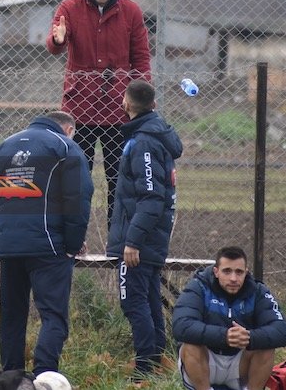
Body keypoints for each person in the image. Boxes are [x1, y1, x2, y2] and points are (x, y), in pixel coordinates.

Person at [0, 111, 94, 376]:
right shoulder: (65, 146)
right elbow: (78, 198)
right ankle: (44, 375)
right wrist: (72, 244)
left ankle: (11, 376)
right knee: (53, 316)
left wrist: (1, 242)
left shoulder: (5, 147)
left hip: (9, 247)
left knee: (12, 317)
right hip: (50, 248)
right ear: (68, 129)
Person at [46, 0, 151, 227]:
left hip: (120, 112)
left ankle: (117, 240)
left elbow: (141, 60)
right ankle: (74, 239)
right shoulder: (69, 8)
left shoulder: (131, 12)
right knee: (75, 181)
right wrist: (58, 40)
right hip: (79, 109)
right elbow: (55, 43)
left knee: (120, 181)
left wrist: (142, 103)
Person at [105, 79, 181, 380]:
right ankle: (156, 362)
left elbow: (150, 197)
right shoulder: (151, 136)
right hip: (151, 236)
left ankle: (145, 368)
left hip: (140, 240)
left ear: (125, 103)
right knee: (148, 298)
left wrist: (132, 241)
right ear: (154, 105)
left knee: (133, 300)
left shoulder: (144, 143)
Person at [171, 246, 286, 390]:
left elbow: (283, 331)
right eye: (227, 271)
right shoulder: (199, 287)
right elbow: (181, 326)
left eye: (239, 272)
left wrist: (250, 337)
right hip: (206, 362)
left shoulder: (258, 291)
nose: (233, 278)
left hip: (239, 365)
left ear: (246, 272)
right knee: (189, 345)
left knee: (266, 348)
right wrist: (224, 336)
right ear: (216, 271)